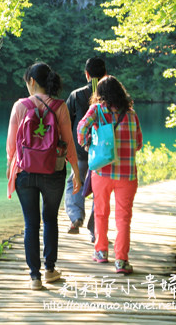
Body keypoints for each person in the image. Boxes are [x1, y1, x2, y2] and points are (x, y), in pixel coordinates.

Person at [7, 62, 80, 290]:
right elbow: (68, 143)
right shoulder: (60, 106)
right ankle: (49, 270)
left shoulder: (20, 106)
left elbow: (11, 147)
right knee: (49, 219)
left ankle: (34, 277)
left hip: (25, 173)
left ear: (32, 82)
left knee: (31, 223)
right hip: (53, 171)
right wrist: (77, 172)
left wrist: (10, 171)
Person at [77, 75, 142, 275]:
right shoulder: (131, 115)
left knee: (101, 212)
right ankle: (121, 261)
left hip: (102, 171)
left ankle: (101, 252)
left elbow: (80, 131)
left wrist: (89, 144)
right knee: (123, 218)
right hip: (127, 174)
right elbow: (138, 144)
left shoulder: (97, 110)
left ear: (100, 94)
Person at [64, 57, 107, 242]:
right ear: (105, 74)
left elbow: (66, 123)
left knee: (75, 183)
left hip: (81, 152)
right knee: (100, 191)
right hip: (104, 154)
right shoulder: (111, 96)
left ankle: (76, 218)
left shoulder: (76, 95)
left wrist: (66, 147)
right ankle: (94, 231)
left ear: (87, 74)